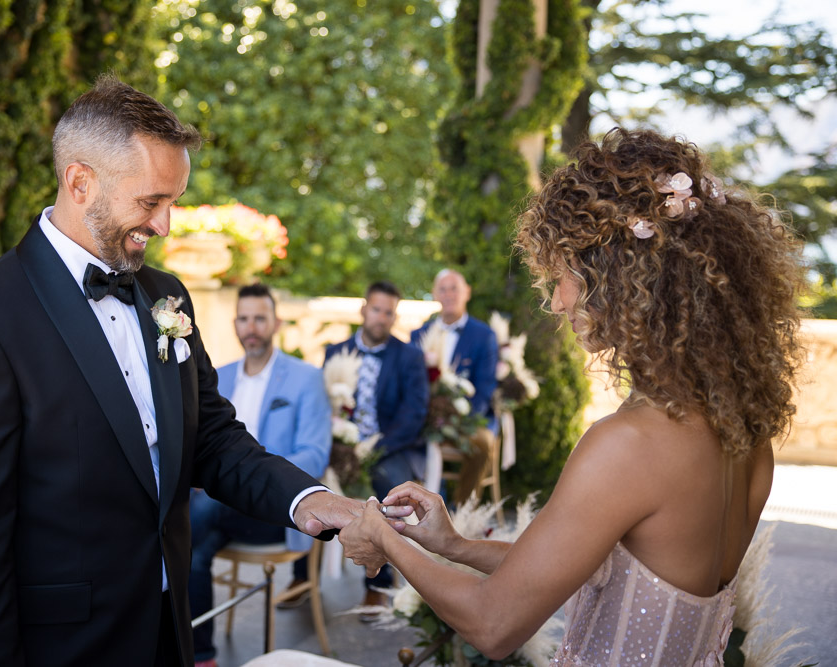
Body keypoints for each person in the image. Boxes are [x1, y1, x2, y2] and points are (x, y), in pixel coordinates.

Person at [0, 75, 371, 667]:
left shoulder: (165, 295)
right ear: (80, 182)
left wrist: (307, 499)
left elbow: (212, 437)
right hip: (62, 648)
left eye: (173, 202)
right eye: (151, 202)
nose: (164, 226)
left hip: (169, 629)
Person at [339, 128, 803, 664]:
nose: (557, 302)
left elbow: (493, 623)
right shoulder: (745, 436)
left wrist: (384, 537)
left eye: (562, 275)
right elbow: (604, 574)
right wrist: (452, 545)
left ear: (619, 277)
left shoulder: (628, 445)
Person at [188, 283, 331, 667]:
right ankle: (201, 656)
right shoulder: (219, 376)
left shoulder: (305, 378)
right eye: (244, 319)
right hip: (220, 508)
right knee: (193, 553)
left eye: (259, 319)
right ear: (235, 324)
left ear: (277, 323)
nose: (251, 327)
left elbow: (314, 455)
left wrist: (252, 472)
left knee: (189, 519)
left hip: (275, 510)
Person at [325, 280, 428, 615]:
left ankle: (377, 584)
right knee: (307, 479)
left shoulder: (409, 357)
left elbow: (414, 414)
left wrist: (374, 448)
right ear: (363, 310)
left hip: (387, 447)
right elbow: (323, 404)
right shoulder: (335, 352)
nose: (381, 318)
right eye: (376, 309)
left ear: (394, 317)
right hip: (340, 445)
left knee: (388, 494)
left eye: (388, 313)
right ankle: (301, 573)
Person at [411, 269, 498, 501]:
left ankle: (462, 510)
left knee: (482, 443)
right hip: (425, 418)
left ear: (467, 292)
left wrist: (456, 419)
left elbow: (485, 390)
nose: (448, 294)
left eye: (454, 289)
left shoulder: (484, 335)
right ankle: (413, 507)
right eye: (443, 289)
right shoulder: (419, 334)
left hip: (466, 420)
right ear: (434, 294)